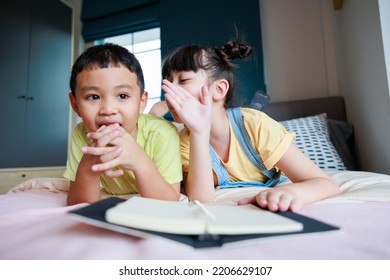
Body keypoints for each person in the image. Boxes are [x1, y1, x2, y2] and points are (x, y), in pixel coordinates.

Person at [160, 39, 340, 212]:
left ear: (219, 89)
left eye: (183, 80)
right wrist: (199, 132)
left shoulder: (255, 125)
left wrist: (289, 192)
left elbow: (325, 183)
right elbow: (202, 200)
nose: (169, 91)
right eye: (167, 82)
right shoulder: (184, 142)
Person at [64, 43, 182, 205]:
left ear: (141, 102)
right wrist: (88, 168)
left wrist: (140, 161)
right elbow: (79, 204)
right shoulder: (82, 133)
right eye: (93, 97)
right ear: (75, 105)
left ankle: (157, 110)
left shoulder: (163, 133)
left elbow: (169, 201)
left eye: (122, 96)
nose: (108, 109)